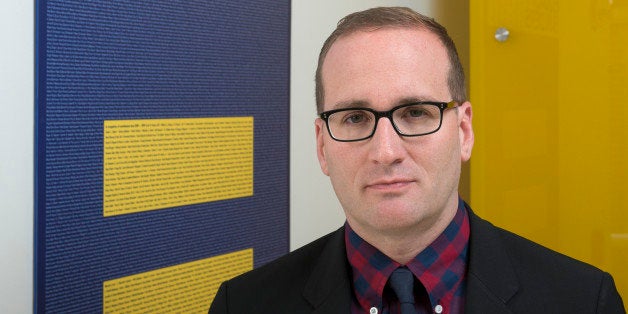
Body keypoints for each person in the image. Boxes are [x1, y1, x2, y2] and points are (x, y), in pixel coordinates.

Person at [209, 7, 625, 313]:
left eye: (415, 113)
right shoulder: (242, 305)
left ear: (463, 132)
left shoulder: (584, 301)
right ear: (322, 146)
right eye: (354, 118)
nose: (386, 152)